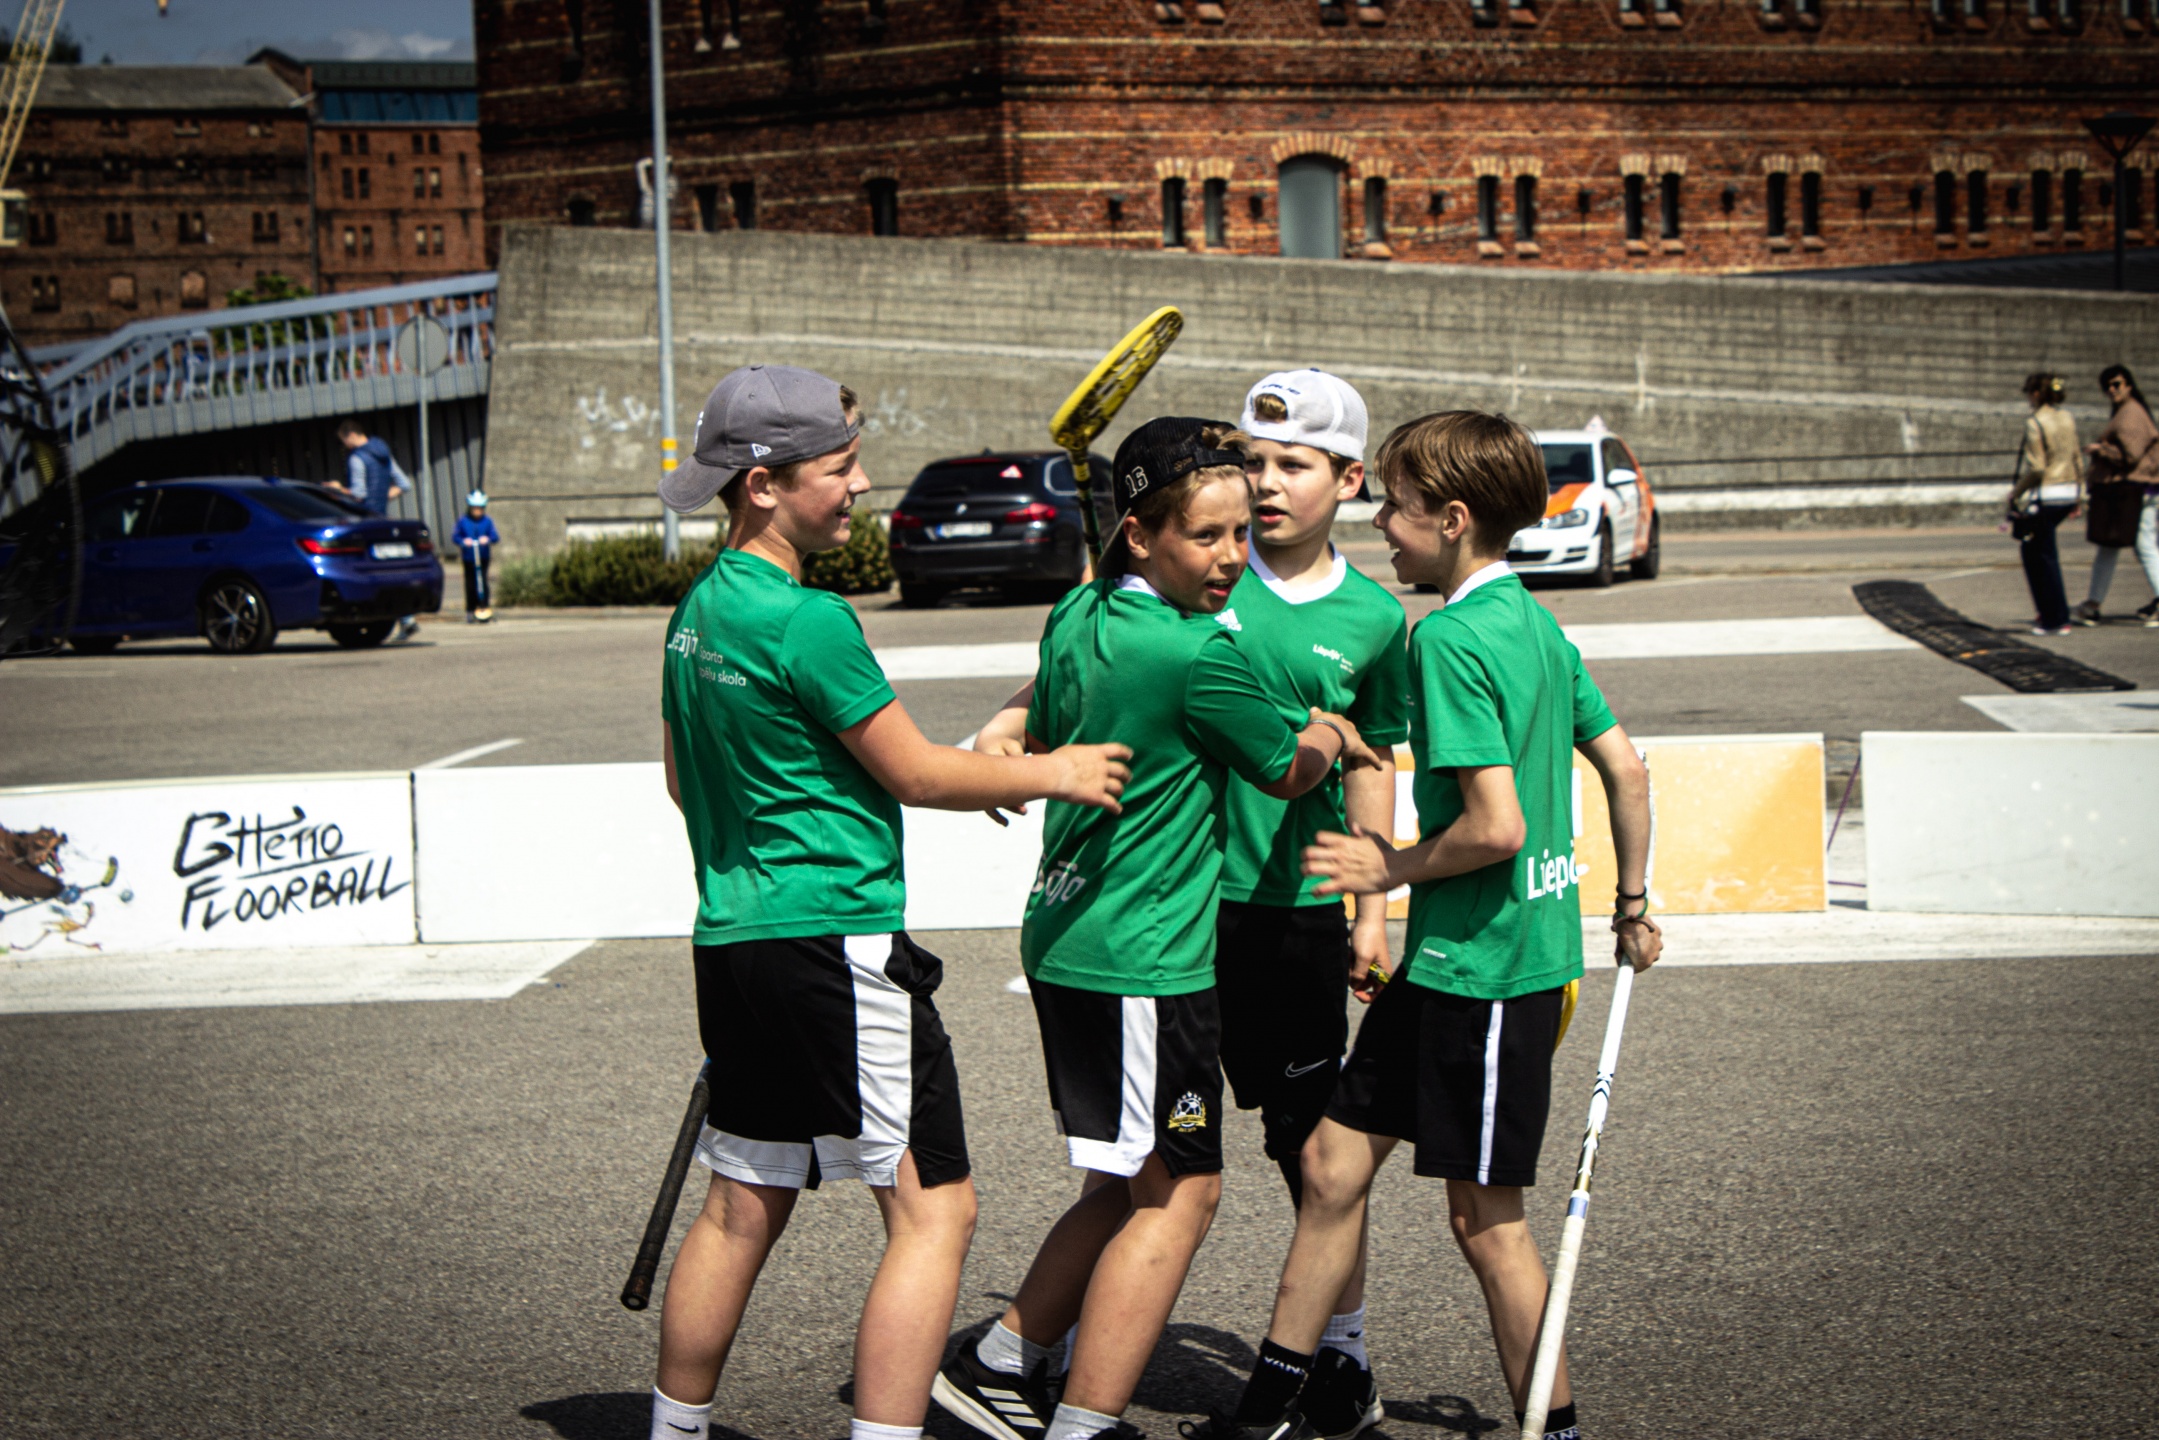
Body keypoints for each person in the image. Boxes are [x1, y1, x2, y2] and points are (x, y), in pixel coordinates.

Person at [650, 363, 1135, 1440]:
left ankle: (671, 1430)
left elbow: (686, 782)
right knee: (934, 1211)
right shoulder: (808, 620)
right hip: (834, 941)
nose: (861, 485)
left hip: (736, 941)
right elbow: (914, 772)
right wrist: (1054, 769)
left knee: (739, 1206)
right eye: (839, 468)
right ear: (763, 485)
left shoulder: (697, 613)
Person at [1208, 411, 1661, 1440]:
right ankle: (1272, 1407)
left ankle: (1554, 1428)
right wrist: (1630, 905)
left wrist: (1390, 866)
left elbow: (1494, 827)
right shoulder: (1532, 620)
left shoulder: (1449, 638)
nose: (1380, 525)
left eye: (1396, 508)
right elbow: (1626, 770)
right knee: (1329, 1167)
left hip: (1491, 974)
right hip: (1452, 966)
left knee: (1484, 1223)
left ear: (1451, 520)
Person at [933, 416, 1382, 1440]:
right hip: (1142, 962)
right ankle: (1084, 1423)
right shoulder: (1194, 655)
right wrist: (1330, 728)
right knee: (1182, 1194)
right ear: (1138, 534)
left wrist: (1006, 723)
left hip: (1070, 939)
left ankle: (1002, 1361)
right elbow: (1286, 769)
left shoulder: (1079, 610)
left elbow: (1047, 705)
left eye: (1240, 534)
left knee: (1122, 1180)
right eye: (1206, 536)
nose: (1231, 557)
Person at [2078, 364, 2159, 629]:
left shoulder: (2130, 414)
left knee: (2141, 545)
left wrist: (2100, 450)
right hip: (2135, 488)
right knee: (2112, 546)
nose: (2112, 390)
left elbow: (2131, 455)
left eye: (2117, 384)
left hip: (2134, 489)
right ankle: (2093, 604)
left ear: (2129, 385)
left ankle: (2093, 604)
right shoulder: (2129, 411)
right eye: (2107, 386)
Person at [2007, 373, 2083, 637]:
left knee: (2041, 555)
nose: (2028, 398)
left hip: (2048, 493)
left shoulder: (2035, 422)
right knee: (2038, 551)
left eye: (2029, 392)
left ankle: (2055, 618)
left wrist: (2016, 493)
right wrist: (2080, 496)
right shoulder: (2067, 418)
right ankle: (2051, 613)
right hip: (2068, 490)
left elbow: (2038, 468)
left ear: (2037, 394)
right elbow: (2076, 457)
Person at [338, 418, 420, 642]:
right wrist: (382, 499)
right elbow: (404, 484)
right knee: (391, 570)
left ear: (350, 435)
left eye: (343, 441)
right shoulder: (383, 452)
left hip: (365, 523)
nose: (344, 446)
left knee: (371, 573)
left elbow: (358, 495)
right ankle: (406, 618)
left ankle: (390, 619)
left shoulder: (357, 458)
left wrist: (338, 489)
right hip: (382, 519)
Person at [453, 490, 500, 623]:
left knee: (482, 582)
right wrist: (464, 542)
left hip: (483, 556)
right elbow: (455, 536)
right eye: (474, 508)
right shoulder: (463, 521)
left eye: (479, 508)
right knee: (470, 584)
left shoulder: (487, 521)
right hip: (469, 557)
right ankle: (470, 609)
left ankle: (484, 606)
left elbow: (495, 536)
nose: (477, 511)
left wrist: (487, 539)